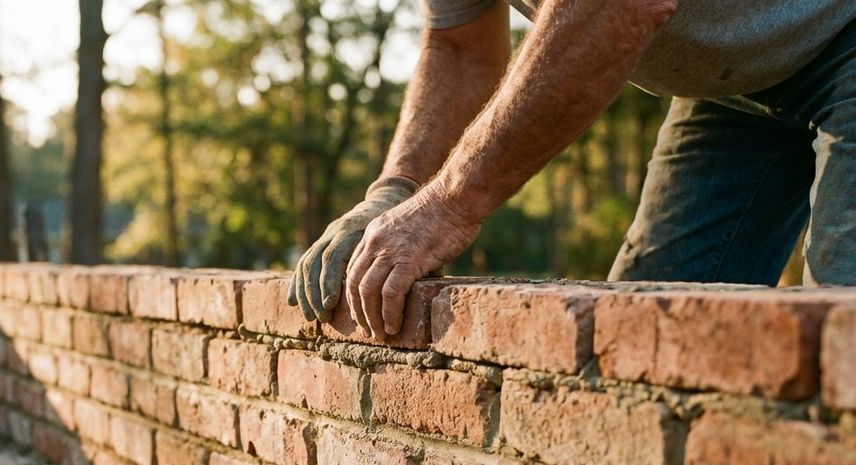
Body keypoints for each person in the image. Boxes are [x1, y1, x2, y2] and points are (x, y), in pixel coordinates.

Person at [288, 0, 856, 340]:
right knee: (644, 345)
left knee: (842, 338)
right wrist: (394, 191)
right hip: (733, 82)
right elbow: (460, 44)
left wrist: (448, 205)